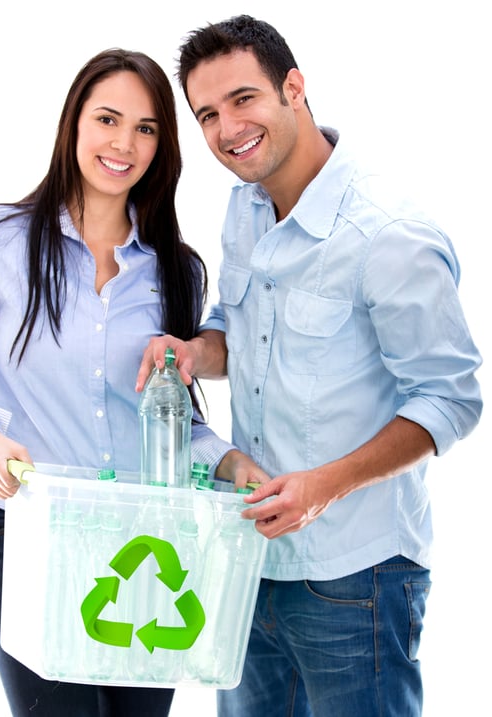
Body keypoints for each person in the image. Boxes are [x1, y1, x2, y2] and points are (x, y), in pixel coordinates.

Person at [136, 15, 484, 717]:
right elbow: (238, 329)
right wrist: (195, 352)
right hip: (249, 564)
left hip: (357, 577)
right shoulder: (245, 207)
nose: (227, 129)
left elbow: (450, 400)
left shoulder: (388, 235)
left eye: (243, 99)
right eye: (207, 114)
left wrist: (323, 487)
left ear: (294, 87)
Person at [0, 48, 268, 717]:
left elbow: (175, 418)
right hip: (34, 537)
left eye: (145, 128)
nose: (124, 143)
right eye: (108, 119)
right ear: (73, 125)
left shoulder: (175, 269)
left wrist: (230, 462)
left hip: (149, 544)